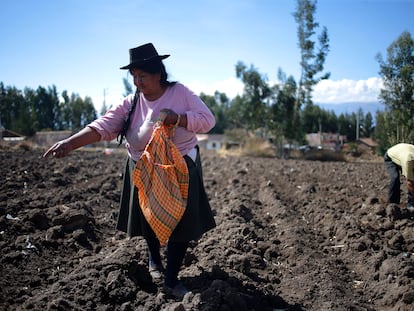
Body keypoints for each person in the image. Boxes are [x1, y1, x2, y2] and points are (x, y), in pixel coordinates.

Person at [43, 42, 216, 299]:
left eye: (142, 76)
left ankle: (171, 280)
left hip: (178, 165)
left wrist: (178, 119)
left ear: (158, 73)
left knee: (180, 221)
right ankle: (154, 260)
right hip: (142, 166)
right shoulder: (132, 101)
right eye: (134, 77)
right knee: (147, 216)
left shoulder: (179, 93)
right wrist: (71, 143)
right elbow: (103, 125)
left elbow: (207, 120)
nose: (137, 82)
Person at [384, 143, 414, 210]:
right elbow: (410, 183)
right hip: (391, 156)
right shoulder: (409, 161)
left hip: (403, 152)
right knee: (395, 178)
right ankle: (393, 204)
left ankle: (411, 205)